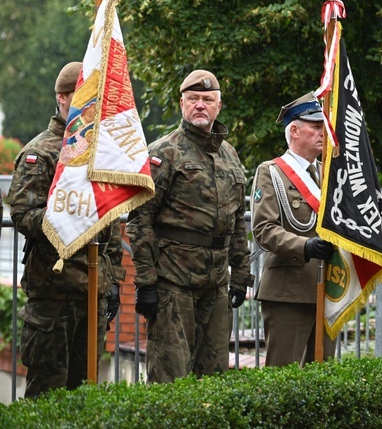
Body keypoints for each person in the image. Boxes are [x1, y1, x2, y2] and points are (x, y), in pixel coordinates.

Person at [127, 69, 254, 383]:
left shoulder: (230, 155)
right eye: (193, 99)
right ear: (181, 104)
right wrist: (145, 281)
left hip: (215, 285)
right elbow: (140, 219)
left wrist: (240, 274)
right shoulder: (163, 152)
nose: (201, 105)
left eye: (208, 99)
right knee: (170, 377)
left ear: (218, 106)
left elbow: (238, 221)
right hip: (174, 283)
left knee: (213, 379)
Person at [7, 61, 124, 397]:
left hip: (93, 292)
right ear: (61, 97)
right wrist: (69, 217)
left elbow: (111, 221)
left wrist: (112, 280)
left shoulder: (100, 153)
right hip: (54, 292)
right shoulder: (40, 152)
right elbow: (23, 213)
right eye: (79, 96)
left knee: (85, 392)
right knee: (48, 394)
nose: (88, 105)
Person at [251, 92, 336, 367]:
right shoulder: (271, 171)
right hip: (288, 290)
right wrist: (304, 246)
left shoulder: (329, 173)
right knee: (283, 379)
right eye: (316, 126)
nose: (323, 133)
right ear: (295, 131)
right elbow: (264, 229)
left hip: (329, 288)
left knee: (322, 379)